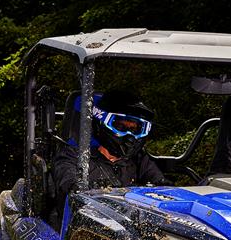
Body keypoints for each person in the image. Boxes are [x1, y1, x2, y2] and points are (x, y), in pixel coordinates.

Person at [50, 90, 165, 219]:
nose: (130, 136)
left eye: (135, 129)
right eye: (121, 126)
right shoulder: (73, 157)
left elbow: (163, 188)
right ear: (101, 123)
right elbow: (67, 182)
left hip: (129, 227)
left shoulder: (138, 159)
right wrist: (84, 189)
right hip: (81, 227)